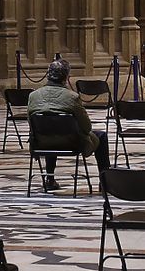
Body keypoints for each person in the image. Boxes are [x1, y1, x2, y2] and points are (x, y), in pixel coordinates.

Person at [27, 59, 110, 191]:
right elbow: (87, 127)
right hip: (71, 142)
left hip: (42, 142)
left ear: (47, 75)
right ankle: (106, 182)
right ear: (66, 77)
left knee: (50, 128)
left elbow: (31, 126)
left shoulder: (33, 96)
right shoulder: (72, 97)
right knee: (102, 136)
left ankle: (50, 178)